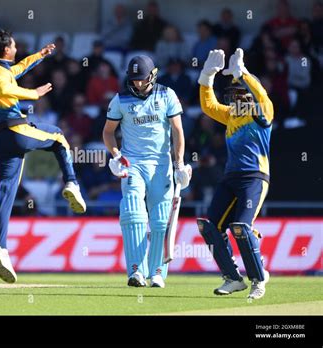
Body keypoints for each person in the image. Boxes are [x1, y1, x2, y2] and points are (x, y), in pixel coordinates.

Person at [0, 29, 86, 284]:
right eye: (14, 46)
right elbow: (6, 88)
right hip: (15, 129)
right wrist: (33, 94)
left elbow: (16, 70)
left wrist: (41, 55)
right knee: (60, 137)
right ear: (7, 50)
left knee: (6, 190)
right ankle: (71, 182)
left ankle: (0, 247)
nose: (17, 49)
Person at [102, 55, 192, 287]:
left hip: (161, 166)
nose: (138, 84)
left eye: (142, 79)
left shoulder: (167, 95)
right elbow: (108, 132)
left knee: (161, 221)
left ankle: (157, 272)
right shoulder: (120, 99)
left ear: (153, 75)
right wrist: (116, 156)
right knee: (133, 213)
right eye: (134, 80)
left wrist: (179, 164)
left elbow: (177, 131)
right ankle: (136, 271)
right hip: (133, 164)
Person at [197, 49, 273, 299]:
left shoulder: (261, 114)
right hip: (231, 178)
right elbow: (208, 106)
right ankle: (232, 278)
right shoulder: (231, 116)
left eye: (239, 94)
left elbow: (261, 95)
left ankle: (258, 280)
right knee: (209, 226)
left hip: (254, 177)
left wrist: (244, 74)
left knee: (240, 227)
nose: (235, 99)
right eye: (233, 95)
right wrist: (207, 76)